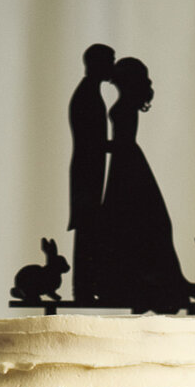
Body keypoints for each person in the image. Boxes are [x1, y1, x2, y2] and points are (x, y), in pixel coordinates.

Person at [95, 57, 195, 313]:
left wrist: (96, 146)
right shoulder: (126, 104)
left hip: (128, 168)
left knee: (145, 226)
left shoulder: (126, 106)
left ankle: (160, 284)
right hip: (128, 165)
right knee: (141, 226)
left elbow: (123, 141)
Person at [68, 44, 115, 304]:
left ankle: (86, 286)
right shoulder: (87, 95)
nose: (112, 67)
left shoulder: (91, 92)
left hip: (90, 172)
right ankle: (82, 288)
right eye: (110, 61)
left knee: (90, 228)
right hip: (86, 174)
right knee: (87, 228)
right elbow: (89, 141)